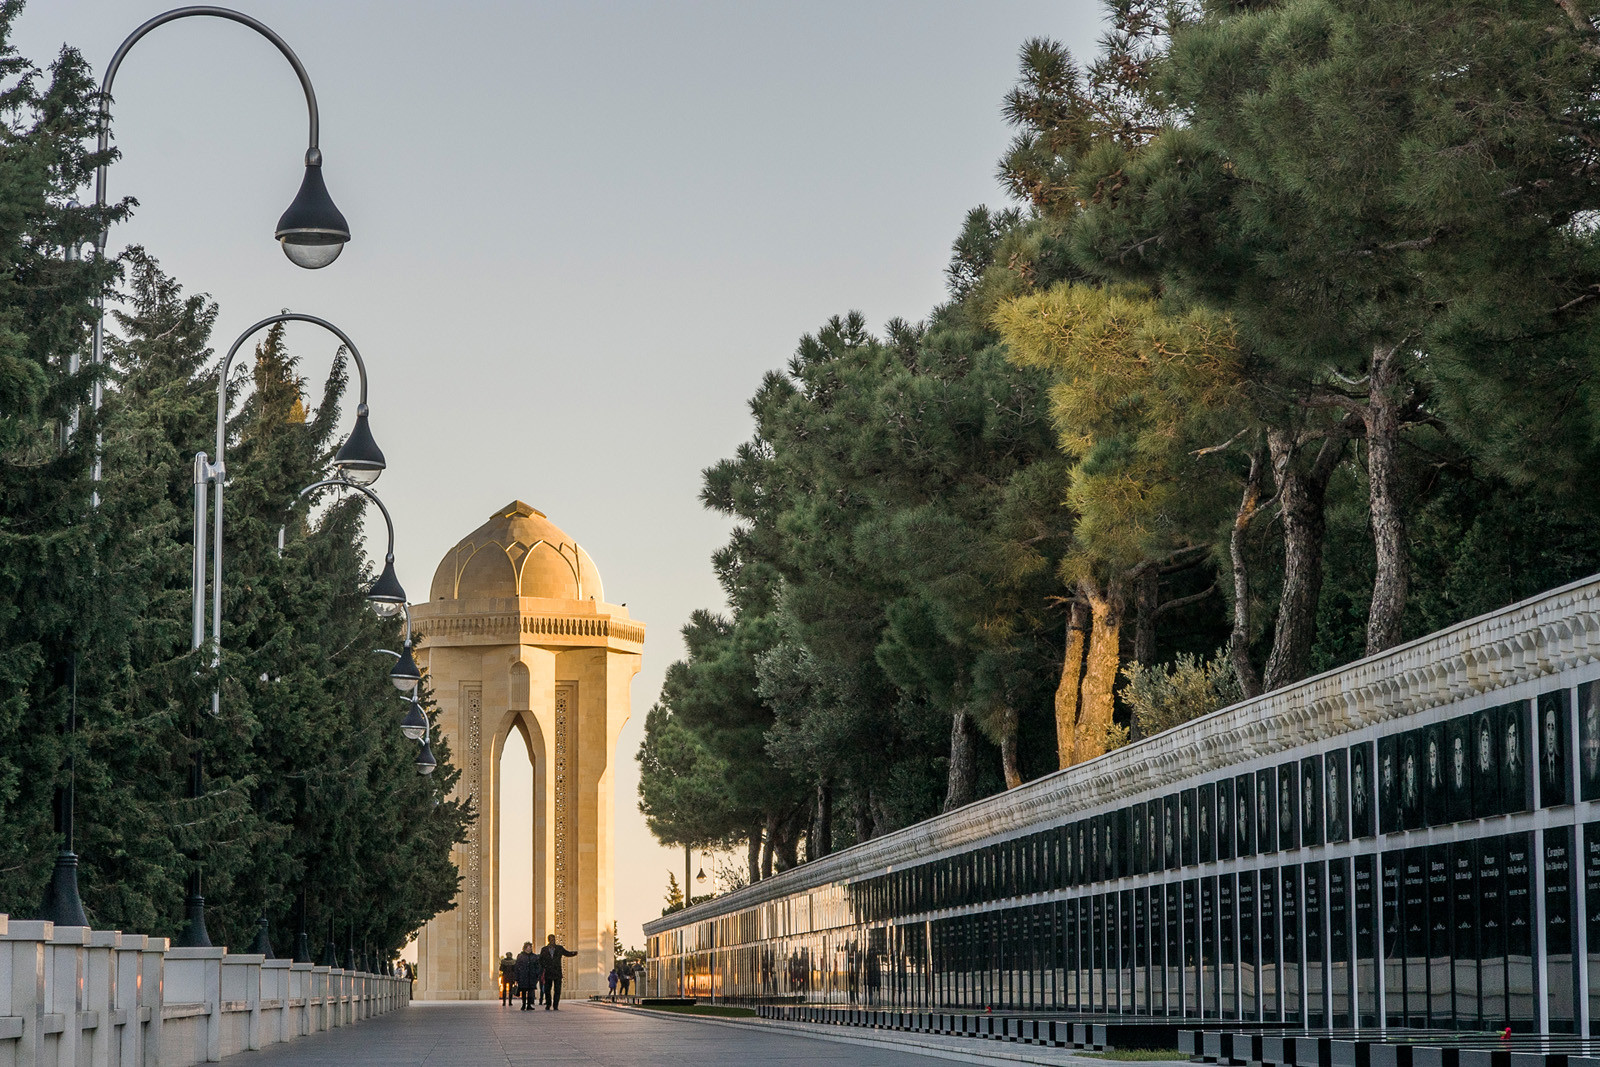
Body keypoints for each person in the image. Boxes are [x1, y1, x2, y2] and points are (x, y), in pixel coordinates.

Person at [539, 934, 579, 1009]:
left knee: (557, 990)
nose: (552, 941)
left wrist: (574, 953)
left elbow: (567, 953)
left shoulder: (559, 948)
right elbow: (540, 960)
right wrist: (545, 966)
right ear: (548, 940)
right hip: (548, 972)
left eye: (553, 939)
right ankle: (548, 1004)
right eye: (551, 939)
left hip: (557, 972)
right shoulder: (544, 949)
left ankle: (555, 1005)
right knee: (547, 990)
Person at [513, 941, 539, 1011]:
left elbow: (537, 966)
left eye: (530, 947)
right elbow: (517, 967)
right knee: (524, 992)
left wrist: (537, 975)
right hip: (523, 976)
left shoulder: (534, 956)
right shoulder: (520, 956)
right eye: (528, 947)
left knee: (531, 992)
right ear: (525, 948)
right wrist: (516, 978)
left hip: (532, 976)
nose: (529, 949)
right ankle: (524, 1004)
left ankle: (529, 1005)